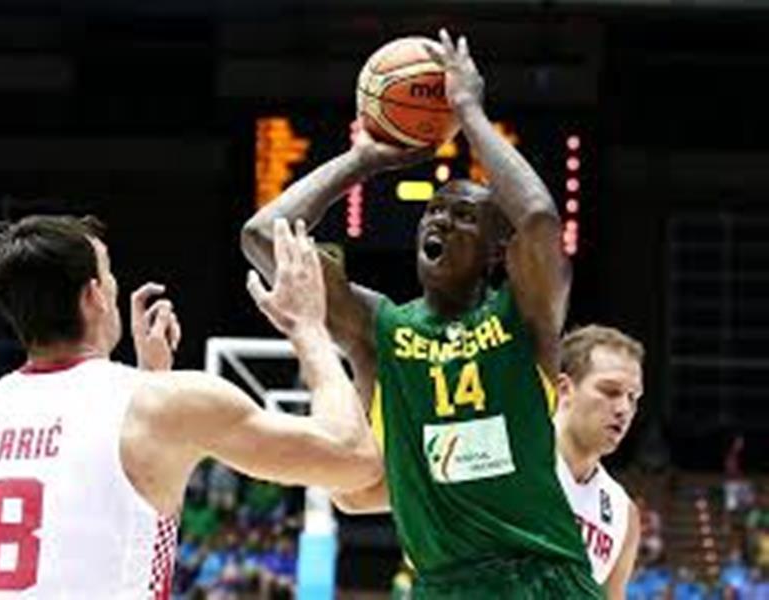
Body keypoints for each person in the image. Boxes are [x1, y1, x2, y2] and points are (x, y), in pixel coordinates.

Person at [243, 28, 600, 599]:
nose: (438, 220)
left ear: (494, 252)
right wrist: (362, 159)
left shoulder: (522, 315)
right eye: (433, 211)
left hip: (541, 576)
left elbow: (538, 220)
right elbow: (263, 237)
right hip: (440, 585)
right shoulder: (381, 325)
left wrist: (469, 112)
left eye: (462, 217)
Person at [0, 215, 381, 597]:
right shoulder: (160, 407)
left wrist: (149, 379)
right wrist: (308, 328)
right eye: (109, 277)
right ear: (94, 296)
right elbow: (354, 457)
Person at [554, 324, 644, 598]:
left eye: (633, 397)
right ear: (564, 389)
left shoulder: (623, 513)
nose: (624, 409)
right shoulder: (512, 458)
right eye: (610, 391)